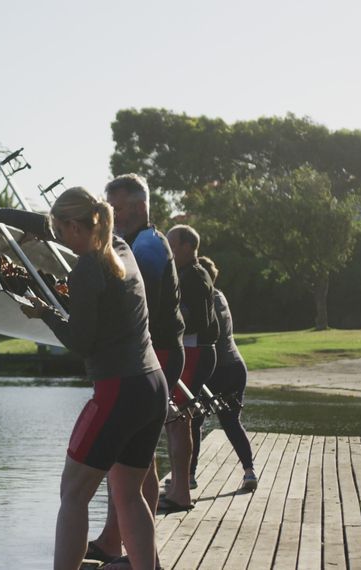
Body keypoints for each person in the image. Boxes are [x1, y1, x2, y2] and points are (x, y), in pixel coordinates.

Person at [0, 187, 167, 570]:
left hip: (117, 390)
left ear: (76, 226)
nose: (54, 234)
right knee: (128, 494)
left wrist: (45, 313)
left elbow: (81, 342)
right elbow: (42, 224)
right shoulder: (119, 245)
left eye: (60, 228)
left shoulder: (88, 270)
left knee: (73, 494)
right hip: (151, 385)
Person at [84, 174, 187, 567]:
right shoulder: (144, 241)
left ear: (140, 206)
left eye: (118, 210)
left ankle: (133, 550)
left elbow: (131, 302)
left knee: (127, 457)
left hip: (153, 354)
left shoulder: (144, 246)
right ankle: (116, 541)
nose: (111, 217)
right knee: (135, 456)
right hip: (154, 353)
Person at [165, 225, 219, 497]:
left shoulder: (194, 277)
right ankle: (183, 477)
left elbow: (198, 320)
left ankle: (185, 478)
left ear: (188, 246)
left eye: (173, 246)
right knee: (182, 416)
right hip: (193, 350)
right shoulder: (189, 274)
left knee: (182, 416)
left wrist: (166, 321)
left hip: (196, 350)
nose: (170, 252)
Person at [197, 256, 257, 492]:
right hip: (235, 366)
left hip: (218, 368)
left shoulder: (207, 298)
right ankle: (249, 471)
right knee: (230, 422)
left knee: (193, 421)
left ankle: (188, 475)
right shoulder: (220, 295)